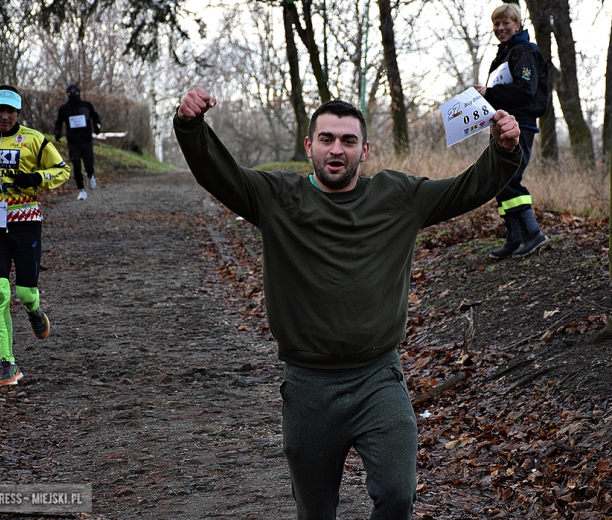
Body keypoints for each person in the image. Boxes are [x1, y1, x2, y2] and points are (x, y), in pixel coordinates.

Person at [174, 87, 522, 519]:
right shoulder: (277, 197)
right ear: (309, 146)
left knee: (397, 494)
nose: (336, 149)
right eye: (326, 139)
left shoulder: (397, 197)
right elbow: (216, 171)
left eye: (348, 140)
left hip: (378, 378)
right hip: (308, 388)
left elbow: (466, 189)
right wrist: (190, 127)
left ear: (365, 150)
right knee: (316, 511)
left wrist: (503, 150)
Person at [0, 85, 70, 386]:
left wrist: (37, 177)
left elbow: (62, 170)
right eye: (0, 110)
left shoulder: (34, 140)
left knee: (24, 293)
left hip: (25, 223)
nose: (5, 117)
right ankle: (8, 364)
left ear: (17, 113)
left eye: (11, 111)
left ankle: (35, 311)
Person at [474, 3, 550, 259]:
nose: (500, 28)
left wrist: (490, 93)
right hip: (501, 125)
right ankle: (514, 238)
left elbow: (525, 90)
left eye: (506, 23)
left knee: (509, 178)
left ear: (517, 25)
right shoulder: (504, 54)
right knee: (499, 178)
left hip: (521, 125)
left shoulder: (524, 52)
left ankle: (533, 233)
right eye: (496, 24)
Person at [54, 83, 101, 200]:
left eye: (75, 92)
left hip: (86, 140)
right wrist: (57, 132)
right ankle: (81, 190)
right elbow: (58, 122)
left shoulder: (86, 105)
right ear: (67, 95)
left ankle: (90, 175)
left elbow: (95, 116)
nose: (73, 94)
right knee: (76, 165)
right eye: (70, 93)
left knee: (89, 164)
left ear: (79, 93)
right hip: (73, 142)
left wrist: (97, 126)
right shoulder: (64, 109)